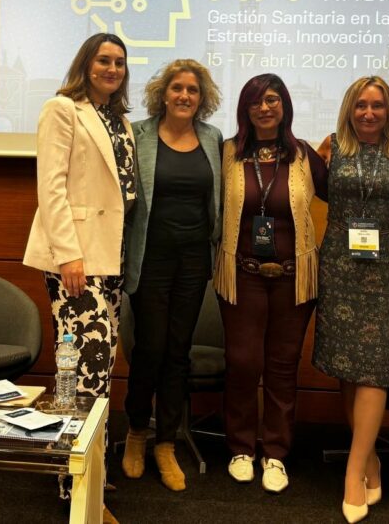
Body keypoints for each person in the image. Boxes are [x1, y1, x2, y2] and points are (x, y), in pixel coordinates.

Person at [22, 32, 134, 523]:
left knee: (98, 372)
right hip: (77, 262)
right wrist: (69, 255)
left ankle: (89, 469)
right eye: (103, 60)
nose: (112, 68)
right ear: (86, 64)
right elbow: (51, 188)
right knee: (84, 372)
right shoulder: (62, 109)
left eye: (120, 62)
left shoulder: (120, 120)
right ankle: (77, 490)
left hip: (111, 262)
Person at [312, 76, 389, 523]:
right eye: (361, 105)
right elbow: (314, 191)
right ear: (349, 109)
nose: (369, 113)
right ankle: (370, 457)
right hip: (340, 262)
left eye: (378, 105)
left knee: (375, 367)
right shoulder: (331, 147)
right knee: (347, 367)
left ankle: (353, 473)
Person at [214, 73, 327, 493]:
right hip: (242, 276)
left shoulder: (304, 155)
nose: (264, 108)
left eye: (273, 100)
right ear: (245, 108)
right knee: (243, 363)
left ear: (285, 106)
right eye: (256, 101)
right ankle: (241, 448)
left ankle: (275, 453)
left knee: (282, 366)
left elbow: (346, 195)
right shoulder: (227, 153)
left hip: (292, 279)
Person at [121, 59, 223, 492]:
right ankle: (135, 432)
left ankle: (166, 443)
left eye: (193, 90)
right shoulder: (137, 135)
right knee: (150, 348)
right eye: (177, 88)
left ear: (202, 98)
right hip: (151, 258)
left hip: (193, 261)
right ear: (163, 93)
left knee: (178, 351)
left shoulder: (212, 138)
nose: (184, 95)